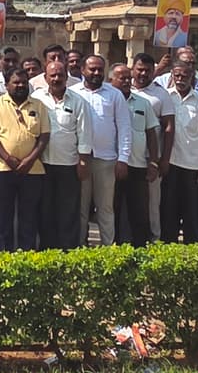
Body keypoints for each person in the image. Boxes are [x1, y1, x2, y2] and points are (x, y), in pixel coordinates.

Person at [0, 69, 50, 251]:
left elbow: (44, 136)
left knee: (29, 215)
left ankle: (27, 252)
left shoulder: (38, 105)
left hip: (32, 169)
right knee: (2, 215)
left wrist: (29, 160)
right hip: (2, 169)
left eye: (24, 82)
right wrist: (7, 158)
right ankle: (4, 253)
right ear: (7, 85)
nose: (20, 86)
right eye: (16, 82)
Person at [70, 55, 131, 245]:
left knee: (105, 208)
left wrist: (123, 158)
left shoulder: (114, 94)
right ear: (83, 70)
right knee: (80, 207)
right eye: (92, 69)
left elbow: (124, 127)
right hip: (80, 159)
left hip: (106, 160)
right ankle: (80, 247)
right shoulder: (72, 93)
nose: (96, 73)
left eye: (99, 69)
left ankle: (107, 249)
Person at [32, 60, 90, 250]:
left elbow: (84, 133)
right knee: (45, 209)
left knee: (68, 210)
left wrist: (83, 161)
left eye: (60, 75)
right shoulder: (36, 98)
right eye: (53, 75)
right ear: (45, 77)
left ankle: (68, 249)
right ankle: (47, 249)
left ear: (66, 77)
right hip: (42, 164)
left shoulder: (78, 101)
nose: (57, 79)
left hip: (69, 164)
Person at [162, 61, 198, 243]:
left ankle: (192, 246)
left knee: (191, 209)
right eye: (177, 75)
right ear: (172, 76)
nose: (180, 79)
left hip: (192, 163)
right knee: (169, 207)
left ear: (192, 77)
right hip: (170, 162)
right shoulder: (165, 97)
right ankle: (168, 244)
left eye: (184, 76)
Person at [111, 63, 159, 247]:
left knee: (138, 209)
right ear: (111, 80)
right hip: (112, 164)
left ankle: (139, 247)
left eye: (128, 78)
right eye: (121, 78)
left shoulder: (142, 102)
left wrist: (153, 162)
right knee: (114, 207)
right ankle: (116, 245)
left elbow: (151, 133)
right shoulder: (107, 102)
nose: (126, 81)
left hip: (138, 165)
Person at [129, 53, 173, 243]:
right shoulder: (122, 89)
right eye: (140, 69)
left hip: (151, 157)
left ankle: (154, 239)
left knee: (152, 201)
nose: (143, 74)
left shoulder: (161, 94)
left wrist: (164, 159)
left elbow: (169, 127)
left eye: (147, 70)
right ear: (133, 69)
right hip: (126, 156)